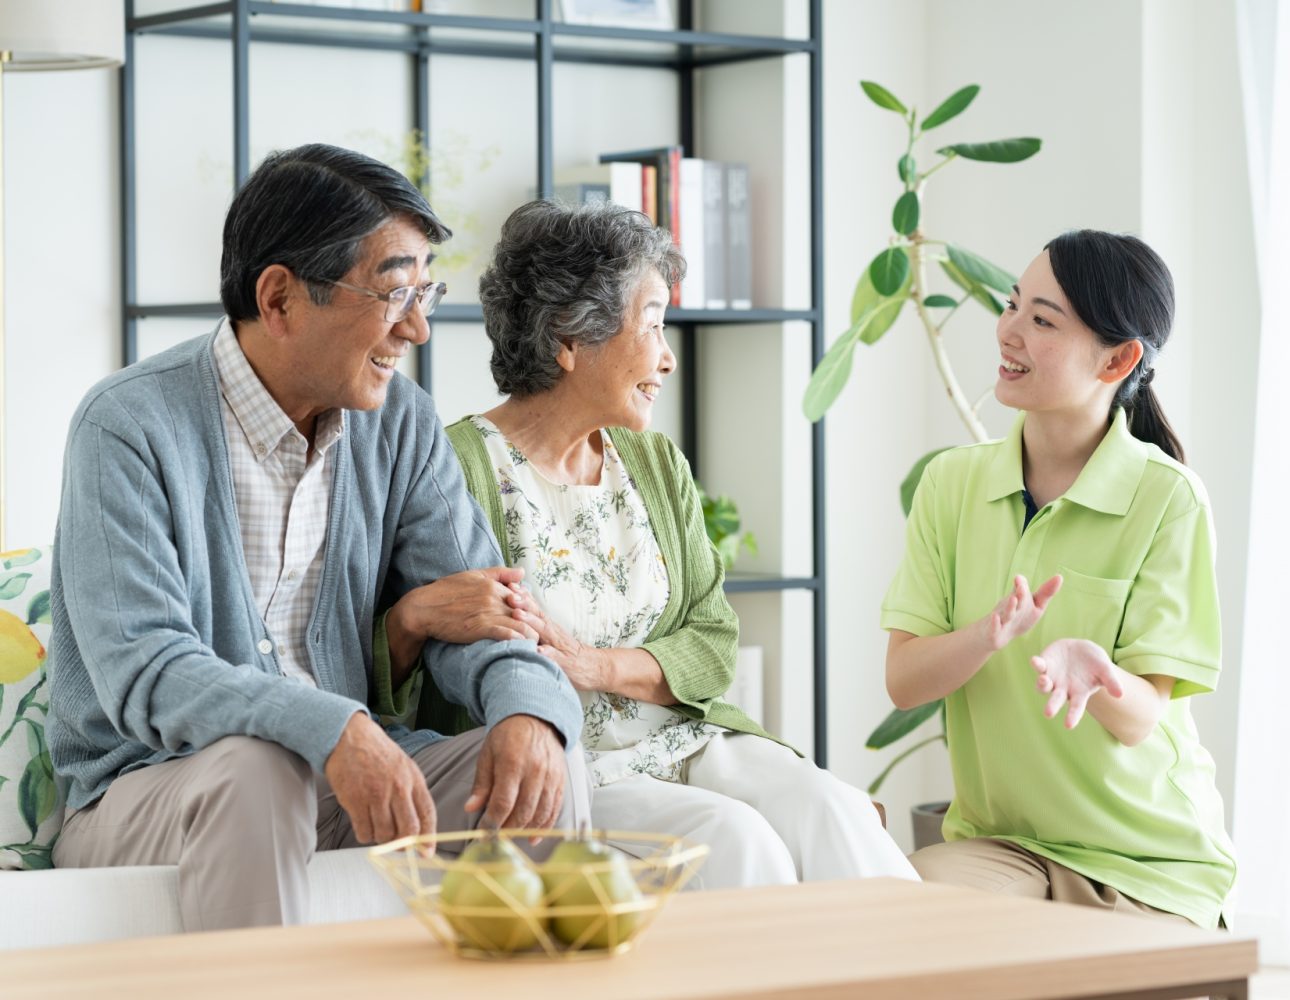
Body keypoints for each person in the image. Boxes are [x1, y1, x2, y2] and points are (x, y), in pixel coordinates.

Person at [46, 144, 588, 932]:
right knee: (257, 769)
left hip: (343, 774)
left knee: (548, 766)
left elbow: (486, 611)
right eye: (395, 290)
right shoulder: (127, 425)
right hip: (152, 788)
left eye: (424, 290)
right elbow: (146, 670)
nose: (419, 328)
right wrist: (331, 725)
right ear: (279, 299)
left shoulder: (400, 423)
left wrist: (529, 712)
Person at [374, 199, 916, 889]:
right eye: (654, 325)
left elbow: (713, 643)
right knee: (737, 842)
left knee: (835, 811)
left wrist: (596, 665)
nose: (668, 358)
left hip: (691, 737)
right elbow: (401, 662)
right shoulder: (454, 468)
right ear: (569, 339)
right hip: (573, 764)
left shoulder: (655, 463)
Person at [882, 230, 1235, 929]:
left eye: (1042, 320)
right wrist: (986, 636)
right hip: (1006, 849)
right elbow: (905, 681)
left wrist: (1098, 674)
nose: (1008, 331)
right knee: (906, 916)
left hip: (1148, 862)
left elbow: (1142, 718)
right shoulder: (950, 484)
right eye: (1013, 306)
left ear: (1119, 358)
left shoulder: (1168, 499)